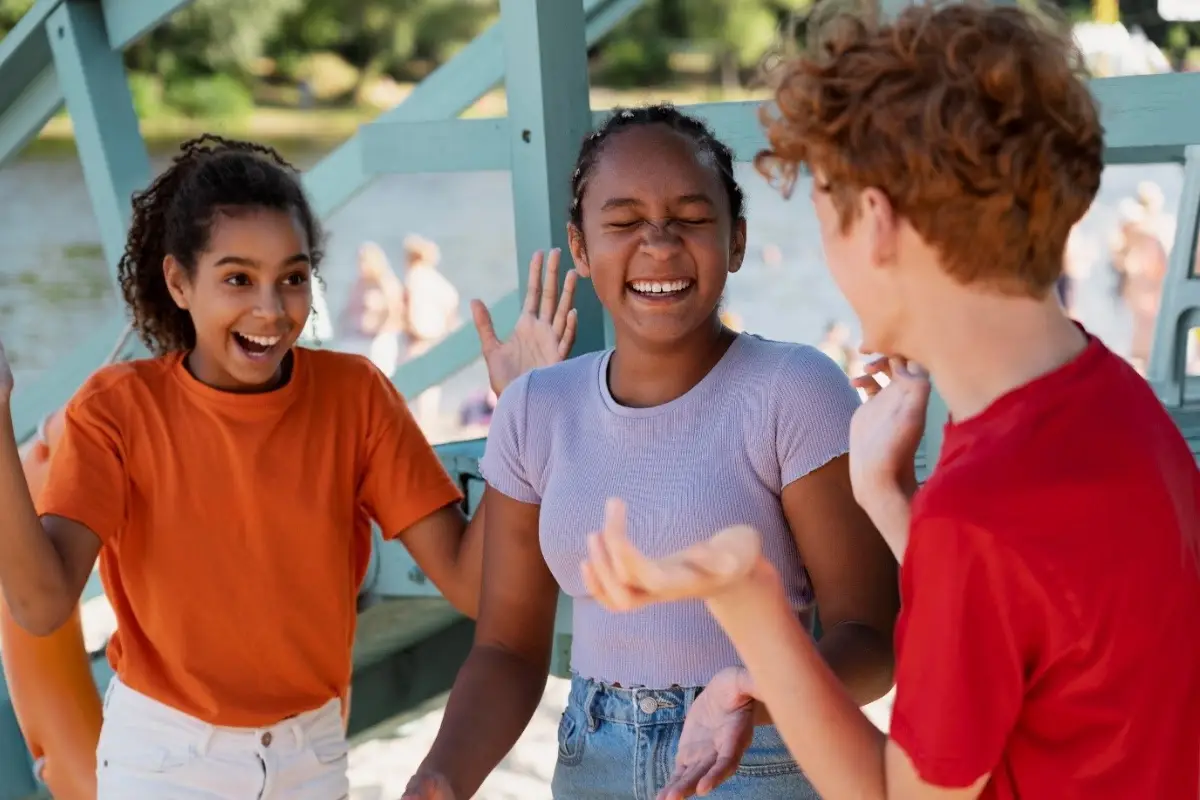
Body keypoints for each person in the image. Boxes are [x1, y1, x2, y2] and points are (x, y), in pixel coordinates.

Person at [580, 6, 1200, 800]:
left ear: (875, 222)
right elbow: (1034, 622)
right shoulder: (1110, 398)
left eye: (826, 217)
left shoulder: (979, 509)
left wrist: (749, 601)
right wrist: (890, 501)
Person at [0, 134, 578, 799]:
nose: (271, 311)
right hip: (161, 763)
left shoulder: (355, 396)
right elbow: (40, 607)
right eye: (238, 278)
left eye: (293, 278)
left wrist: (519, 415)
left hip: (311, 757)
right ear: (179, 282)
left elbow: (474, 585)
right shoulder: (118, 408)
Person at [404, 105, 900, 800]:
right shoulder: (534, 407)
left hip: (760, 753)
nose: (660, 244)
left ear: (737, 242)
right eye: (624, 221)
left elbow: (870, 638)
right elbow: (507, 650)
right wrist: (444, 775)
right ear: (580, 247)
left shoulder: (794, 389)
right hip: (591, 760)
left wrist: (750, 699)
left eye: (692, 218)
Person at [401, 233, 461, 430]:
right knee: (431, 384)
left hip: (418, 334)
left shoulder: (414, 275)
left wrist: (410, 324)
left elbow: (408, 304)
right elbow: (452, 297)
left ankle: (419, 424)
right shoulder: (433, 277)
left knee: (413, 380)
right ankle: (428, 421)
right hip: (435, 332)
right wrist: (448, 322)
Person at [337, 241, 408, 376]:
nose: (361, 266)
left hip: (381, 338)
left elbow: (395, 310)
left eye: (364, 262)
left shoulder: (386, 283)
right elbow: (349, 310)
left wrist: (380, 329)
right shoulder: (358, 285)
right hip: (359, 336)